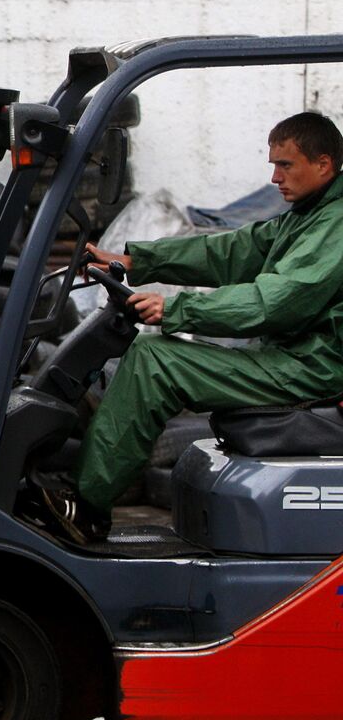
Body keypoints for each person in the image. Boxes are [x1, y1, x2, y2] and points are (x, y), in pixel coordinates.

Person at [39, 111, 343, 545]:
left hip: (312, 368)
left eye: (285, 165)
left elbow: (276, 302)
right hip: (293, 358)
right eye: (272, 164)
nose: (274, 177)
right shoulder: (306, 214)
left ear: (324, 164)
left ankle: (85, 509)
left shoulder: (335, 224)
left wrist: (176, 309)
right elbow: (230, 251)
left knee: (156, 361)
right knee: (151, 353)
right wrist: (136, 261)